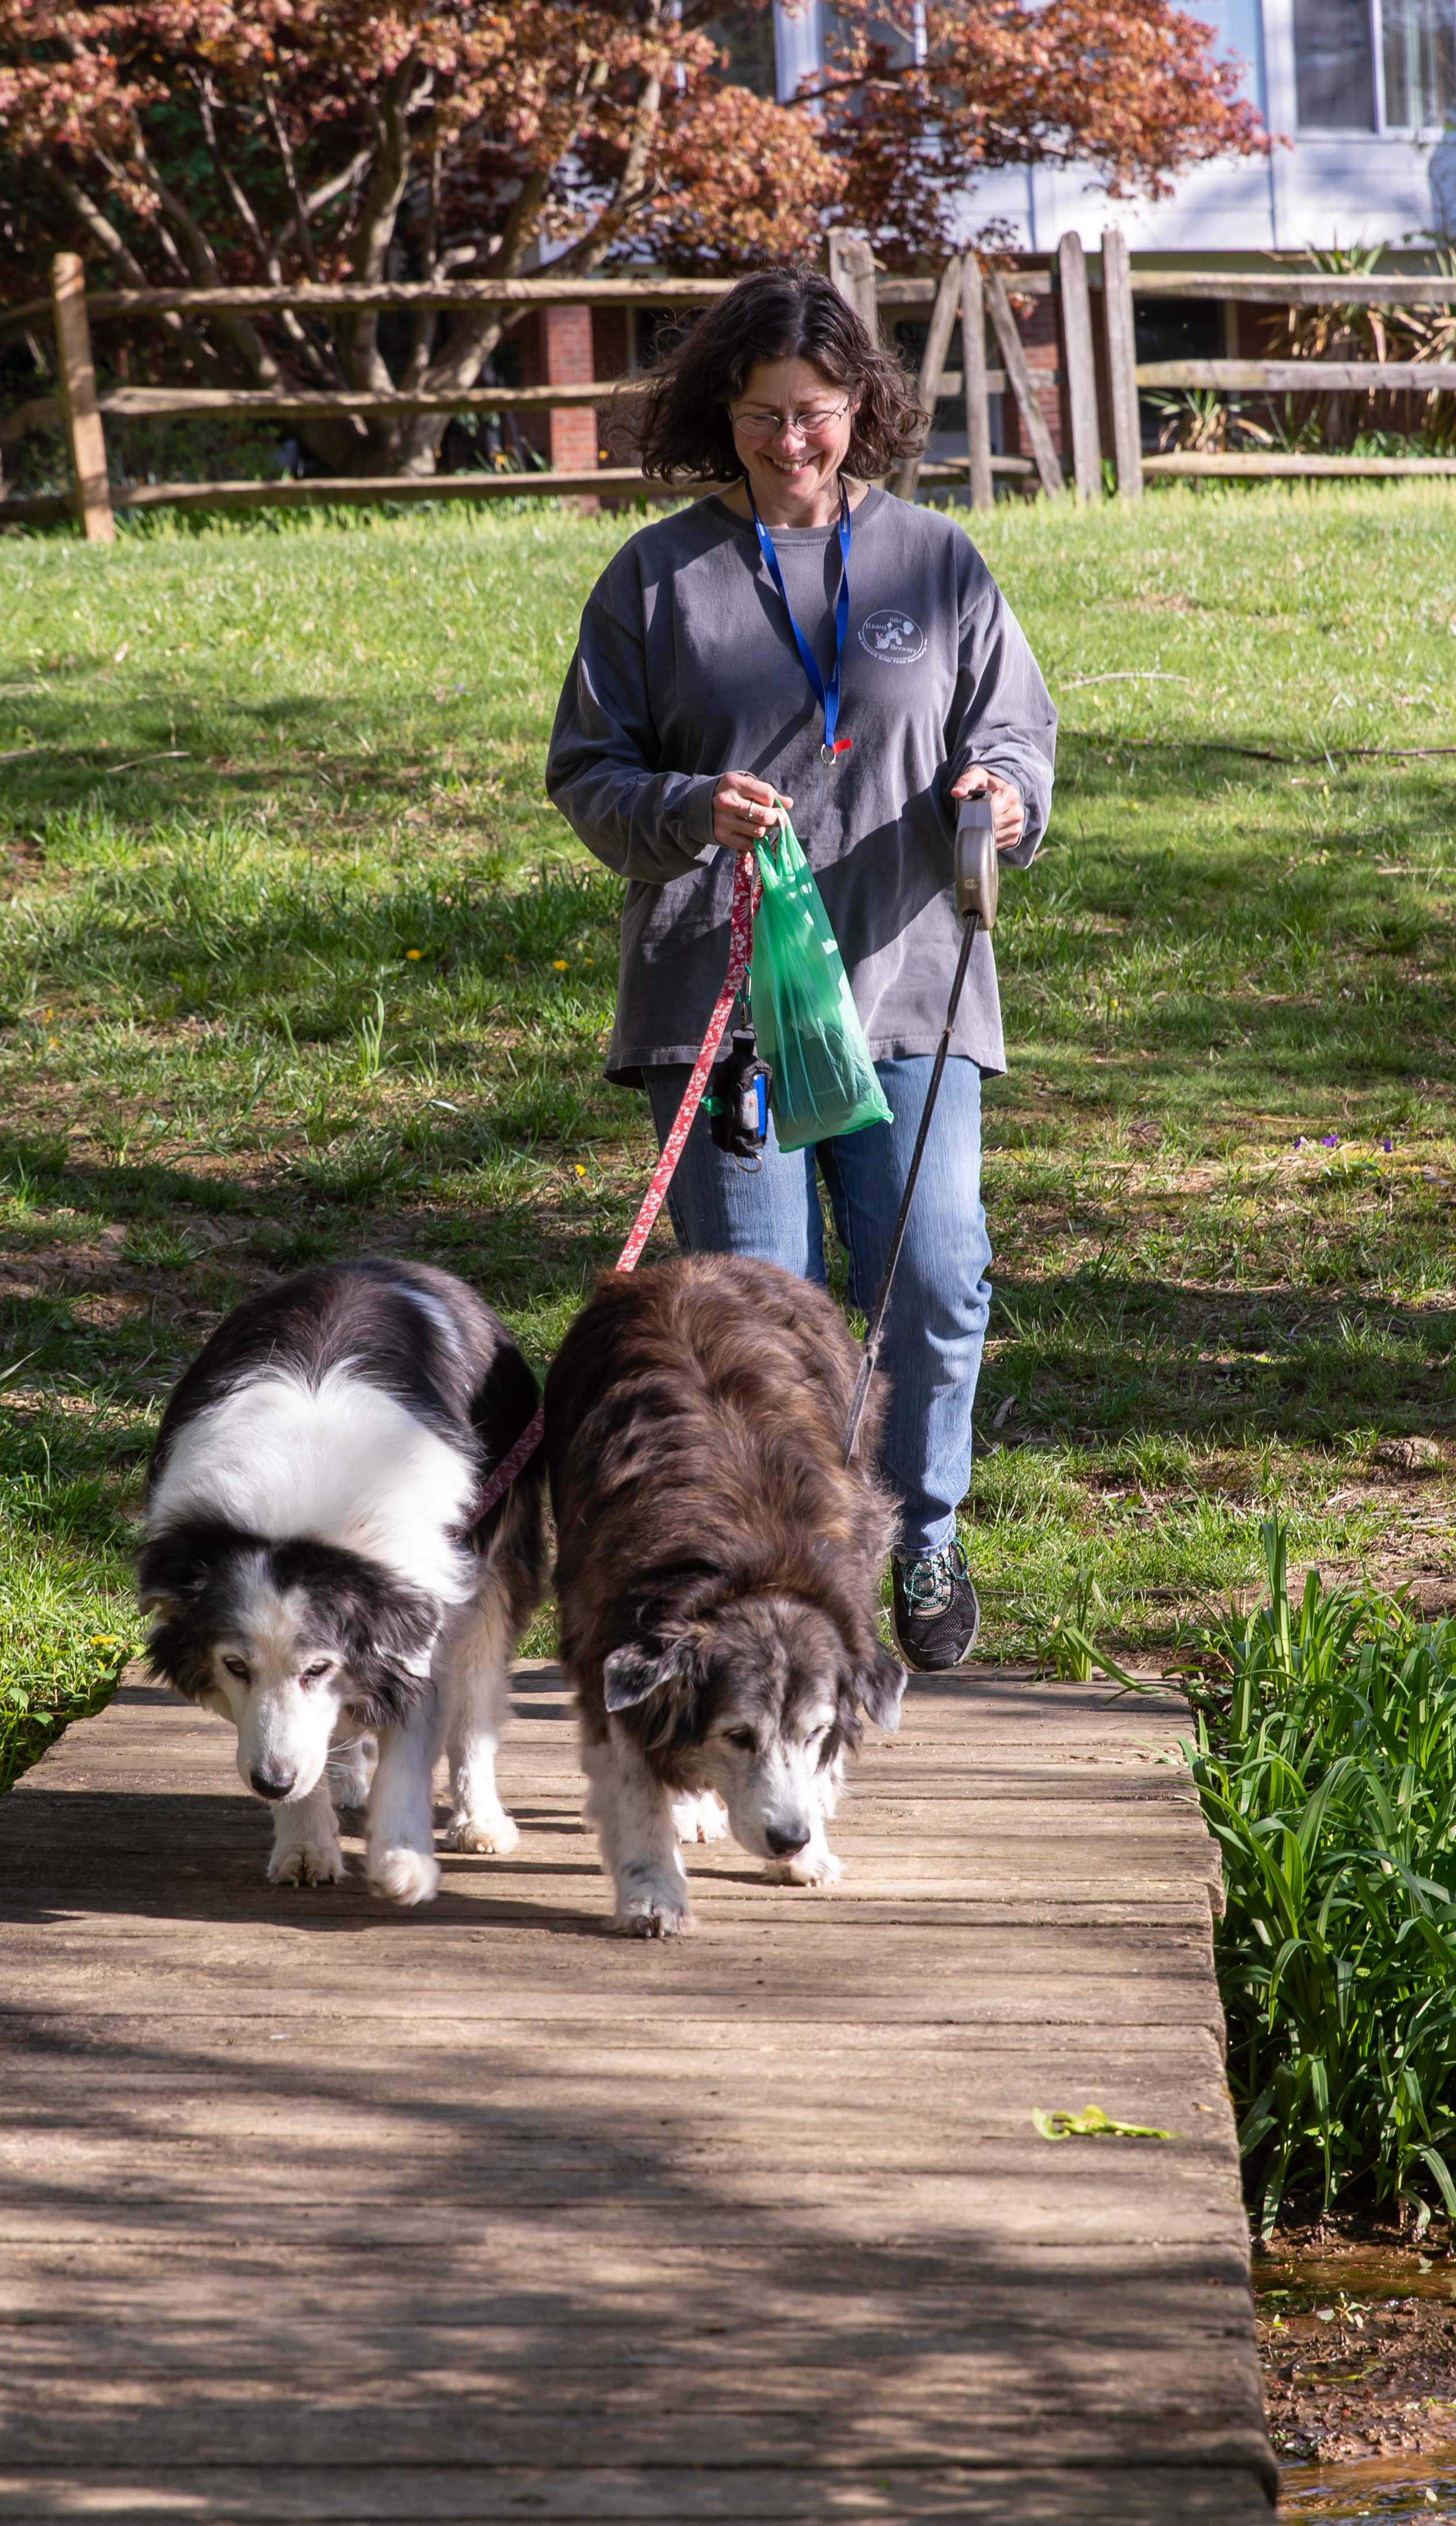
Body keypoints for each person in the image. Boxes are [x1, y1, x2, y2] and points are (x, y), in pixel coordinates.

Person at [544, 264, 1056, 1672]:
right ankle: (774, 1571)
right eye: (766, 415)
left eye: (816, 414)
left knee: (938, 1275)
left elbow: (1017, 734)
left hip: (911, 997)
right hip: (722, 1017)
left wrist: (1002, 798)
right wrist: (681, 810)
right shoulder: (655, 578)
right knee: (749, 1324)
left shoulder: (935, 563)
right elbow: (587, 774)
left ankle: (925, 1525)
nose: (791, 442)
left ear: (863, 410)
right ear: (726, 409)